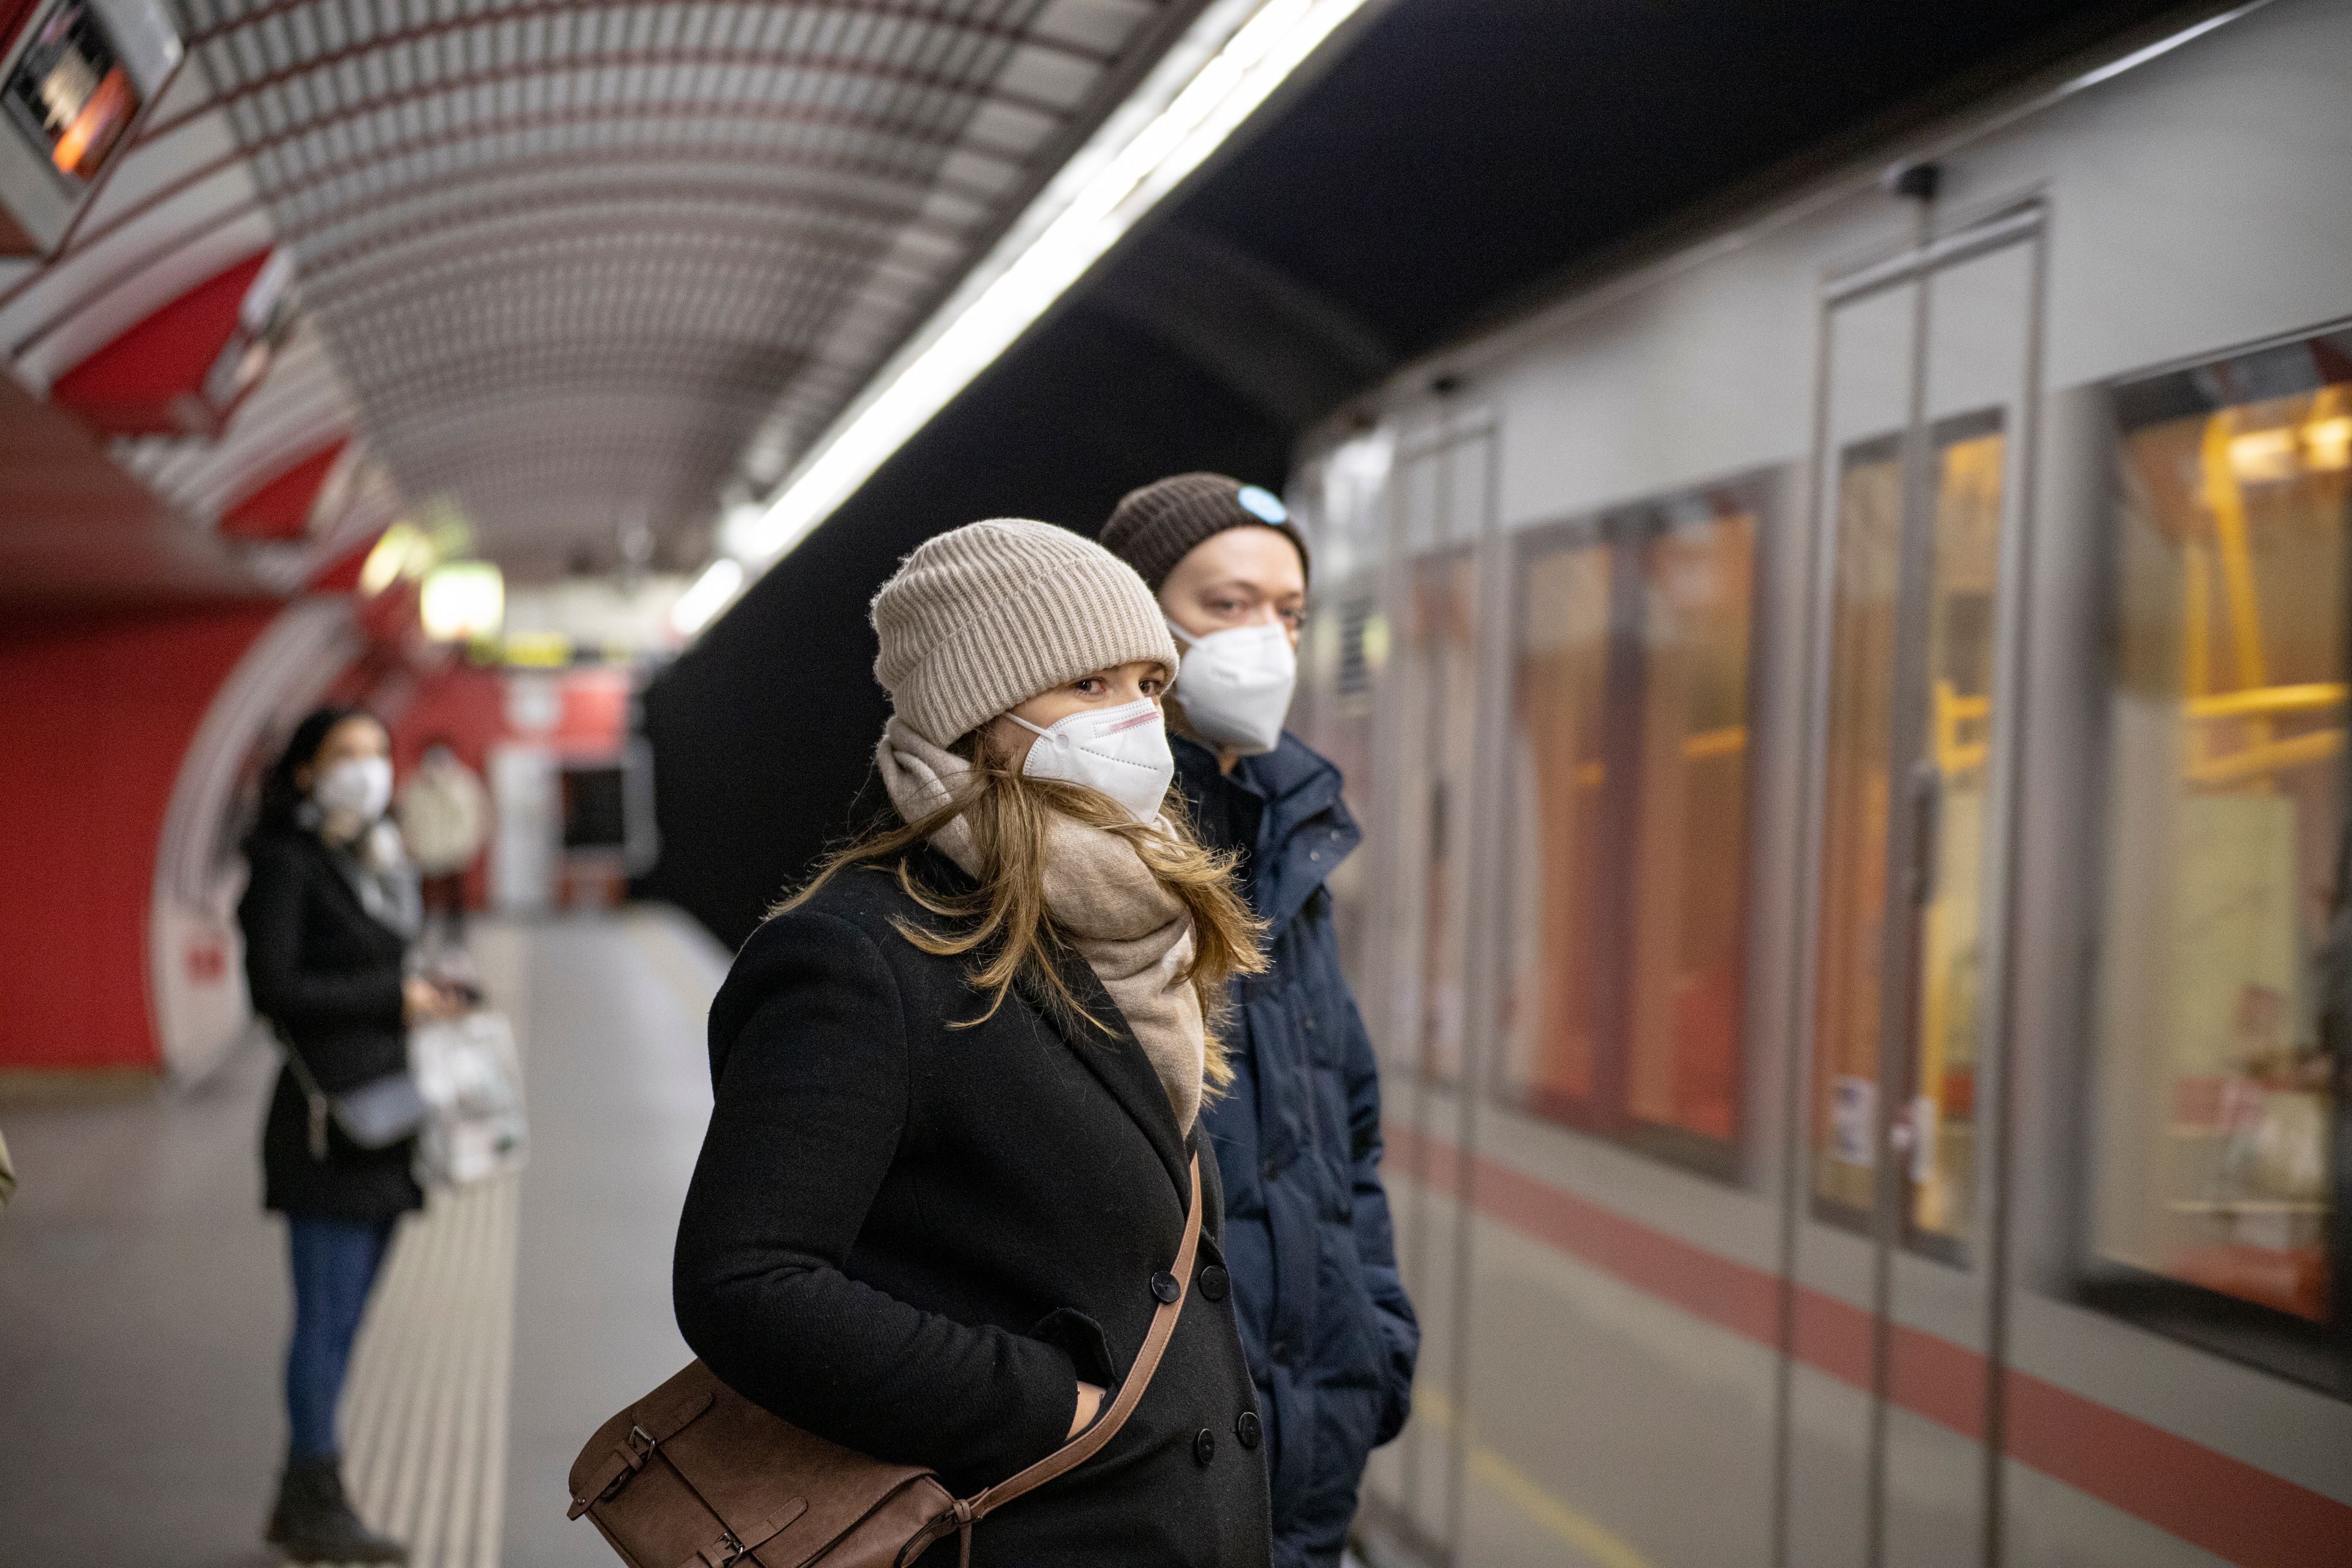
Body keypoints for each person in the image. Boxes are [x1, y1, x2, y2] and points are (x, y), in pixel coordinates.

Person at [672, 520, 1275, 1565]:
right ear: (981, 717)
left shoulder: (1126, 929)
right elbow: (747, 1282)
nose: (1136, 718)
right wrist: (1049, 1406)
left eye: (1147, 682)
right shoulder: (858, 956)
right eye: (1088, 684)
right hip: (1014, 1531)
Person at [1101, 474, 1419, 1568]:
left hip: (1310, 1457)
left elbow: (1349, 1136)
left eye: (1288, 612)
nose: (1267, 642)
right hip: (1156, 1467)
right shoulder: (1104, 847)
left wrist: (1376, 1341)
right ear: (1139, 622)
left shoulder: (1296, 844)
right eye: (1227, 605)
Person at [240, 707, 469, 1565]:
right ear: (304, 769)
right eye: (346, 755)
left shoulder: (369, 855)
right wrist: (393, 997)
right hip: (327, 1121)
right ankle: (313, 1490)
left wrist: (423, 988)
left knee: (348, 1319)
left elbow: (370, 963)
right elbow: (274, 989)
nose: (368, 770)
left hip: (388, 1111)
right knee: (325, 1319)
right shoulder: (285, 862)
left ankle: (300, 1495)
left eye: (378, 753)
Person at [396, 739, 488, 944]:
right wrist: (407, 842)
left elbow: (478, 816)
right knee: (423, 900)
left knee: (456, 900)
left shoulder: (465, 782)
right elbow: (403, 816)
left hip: (455, 851)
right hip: (423, 851)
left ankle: (456, 942)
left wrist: (471, 844)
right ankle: (419, 940)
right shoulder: (412, 784)